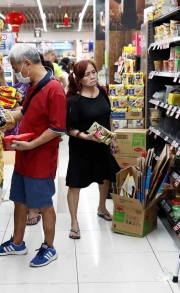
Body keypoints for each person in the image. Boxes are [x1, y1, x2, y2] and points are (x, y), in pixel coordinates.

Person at [0, 44, 66, 267]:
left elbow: (57, 128)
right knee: (19, 201)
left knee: (43, 204)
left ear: (27, 64)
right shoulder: (33, 86)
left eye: (15, 68)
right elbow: (24, 112)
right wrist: (4, 119)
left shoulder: (55, 90)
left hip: (41, 159)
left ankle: (49, 248)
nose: (16, 73)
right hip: (24, 154)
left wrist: (31, 145)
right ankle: (17, 242)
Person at [0, 54, 54, 226]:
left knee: (35, 176)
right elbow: (10, 99)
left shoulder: (45, 86)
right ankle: (23, 225)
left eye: (16, 67)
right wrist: (0, 75)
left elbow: (54, 125)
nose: (16, 71)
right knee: (22, 173)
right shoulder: (22, 85)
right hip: (18, 127)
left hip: (35, 138)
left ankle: (34, 210)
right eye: (13, 68)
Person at [65, 60, 120, 239]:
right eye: (87, 75)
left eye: (94, 72)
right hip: (81, 148)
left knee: (104, 177)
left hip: (101, 145)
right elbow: (69, 128)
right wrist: (85, 136)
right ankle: (74, 222)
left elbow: (107, 117)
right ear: (78, 79)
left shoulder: (102, 92)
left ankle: (102, 207)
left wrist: (113, 139)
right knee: (75, 184)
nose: (92, 77)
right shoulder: (75, 100)